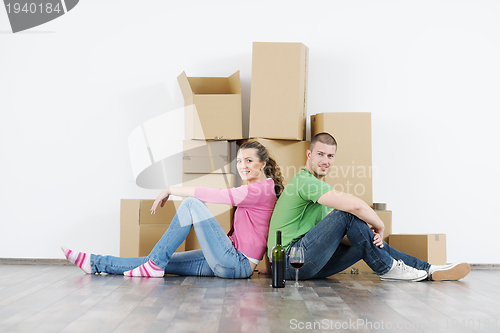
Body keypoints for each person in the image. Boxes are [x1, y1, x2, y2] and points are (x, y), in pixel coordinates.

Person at [62, 141, 284, 278]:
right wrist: (266, 266)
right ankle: (96, 262)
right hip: (229, 260)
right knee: (159, 260)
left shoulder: (259, 190)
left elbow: (220, 196)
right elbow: (265, 230)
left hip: (234, 262)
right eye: (239, 161)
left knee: (190, 203)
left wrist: (171, 188)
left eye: (249, 160)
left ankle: (154, 264)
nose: (242, 166)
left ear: (263, 164)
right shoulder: (260, 189)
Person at [267, 132, 470, 282]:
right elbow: (354, 207)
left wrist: (370, 235)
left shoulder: (320, 188)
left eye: (330, 156)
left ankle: (429, 269)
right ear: (309, 154)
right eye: (320, 154)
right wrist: (379, 225)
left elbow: (342, 234)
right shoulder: (305, 181)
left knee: (366, 240)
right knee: (347, 214)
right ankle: (387, 268)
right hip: (287, 262)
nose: (325, 161)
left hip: (305, 263)